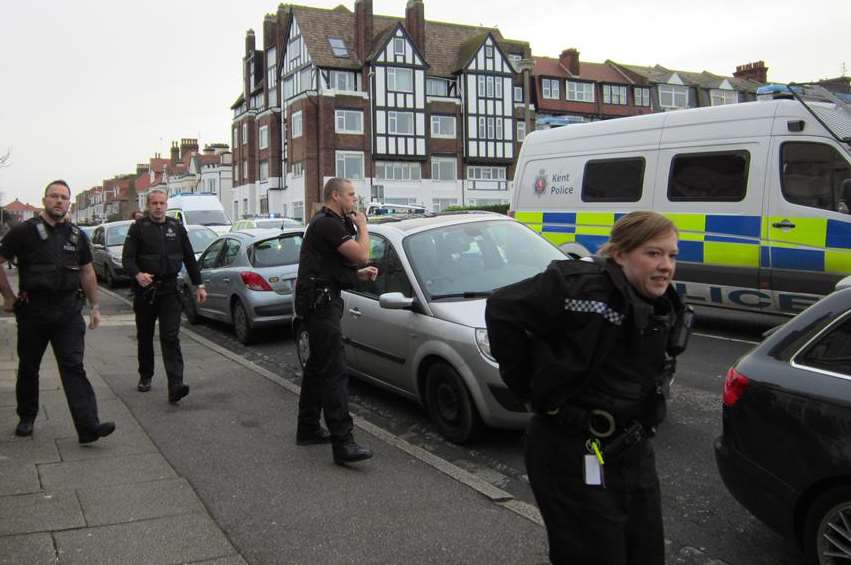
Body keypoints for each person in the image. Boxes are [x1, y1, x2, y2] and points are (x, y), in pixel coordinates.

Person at [485, 211, 692, 565]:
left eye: (671, 255)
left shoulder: (664, 304)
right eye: (653, 254)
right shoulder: (575, 286)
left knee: (645, 552)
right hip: (570, 450)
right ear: (621, 254)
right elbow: (502, 309)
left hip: (632, 451)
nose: (665, 266)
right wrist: (529, 388)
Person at [0, 180, 115, 443]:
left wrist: (95, 306)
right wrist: (7, 295)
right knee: (29, 367)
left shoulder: (76, 235)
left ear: (69, 203)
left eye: (64, 197)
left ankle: (88, 427)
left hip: (68, 312)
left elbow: (87, 271)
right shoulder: (23, 232)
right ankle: (26, 416)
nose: (59, 201)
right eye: (54, 196)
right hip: (33, 311)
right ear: (45, 200)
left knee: (74, 367)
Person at [294, 178, 378, 466]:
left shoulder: (328, 223)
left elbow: (330, 267)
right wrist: (364, 226)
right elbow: (362, 252)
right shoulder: (327, 223)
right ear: (335, 196)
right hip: (320, 305)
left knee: (318, 367)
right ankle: (343, 442)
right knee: (335, 372)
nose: (355, 200)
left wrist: (358, 276)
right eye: (351, 195)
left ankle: (307, 428)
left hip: (321, 299)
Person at [122, 188, 206, 403]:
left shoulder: (176, 227)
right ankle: (145, 375)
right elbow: (128, 259)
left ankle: (176, 385)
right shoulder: (138, 228)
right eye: (154, 203)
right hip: (146, 291)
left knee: (170, 337)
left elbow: (189, 258)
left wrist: (199, 285)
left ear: (166, 205)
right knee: (145, 335)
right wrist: (137, 274)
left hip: (170, 290)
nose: (158, 207)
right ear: (148, 205)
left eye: (162, 203)